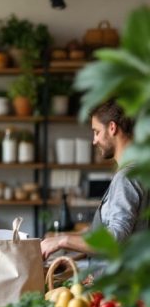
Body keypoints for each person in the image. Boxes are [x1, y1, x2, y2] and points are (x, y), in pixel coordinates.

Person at [41, 99, 148, 260]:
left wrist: (62, 240)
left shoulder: (126, 177)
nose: (94, 140)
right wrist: (73, 258)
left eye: (96, 131)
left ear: (112, 128)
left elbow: (115, 239)